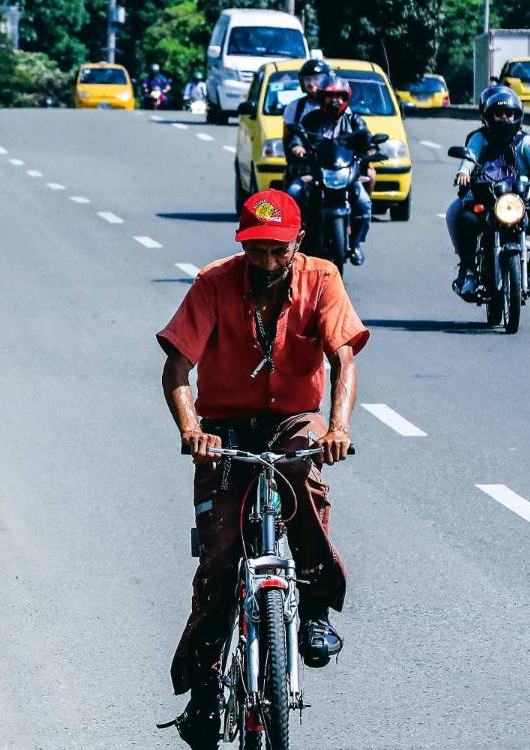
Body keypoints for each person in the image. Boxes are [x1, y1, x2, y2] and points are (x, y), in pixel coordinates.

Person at [157, 189, 367, 749]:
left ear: (297, 242)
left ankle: (317, 612)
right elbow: (177, 367)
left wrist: (338, 428)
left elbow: (342, 357)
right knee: (219, 560)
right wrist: (191, 430)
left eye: (278, 250)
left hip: (292, 421)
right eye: (257, 250)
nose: (268, 262)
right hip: (223, 429)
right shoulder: (214, 283)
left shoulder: (322, 279)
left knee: (305, 487)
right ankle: (202, 698)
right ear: (243, 246)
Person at [447, 85, 530, 297]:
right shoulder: (479, 138)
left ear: (517, 116)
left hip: (521, 201)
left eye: (509, 114)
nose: (504, 118)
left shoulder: (524, 141)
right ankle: (470, 273)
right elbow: (469, 158)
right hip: (487, 197)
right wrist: (463, 174)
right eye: (498, 114)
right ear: (487, 116)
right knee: (460, 217)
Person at [286, 75, 374, 263]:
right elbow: (297, 139)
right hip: (315, 174)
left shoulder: (355, 121)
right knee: (293, 194)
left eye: (340, 96)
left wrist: (370, 150)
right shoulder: (310, 120)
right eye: (329, 96)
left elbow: (367, 140)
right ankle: (290, 244)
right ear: (321, 98)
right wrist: (298, 148)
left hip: (344, 174)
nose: (335, 101)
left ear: (346, 97)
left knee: (364, 204)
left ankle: (355, 243)